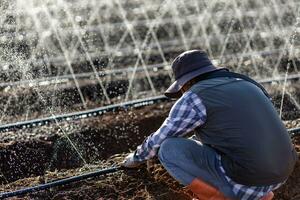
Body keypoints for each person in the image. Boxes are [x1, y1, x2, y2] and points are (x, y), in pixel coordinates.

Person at [121, 50, 298, 200]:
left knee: (168, 149)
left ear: (186, 83)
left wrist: (134, 159)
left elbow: (161, 138)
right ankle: (261, 195)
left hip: (250, 177)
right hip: (283, 170)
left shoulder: (194, 97)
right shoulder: (248, 84)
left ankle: (221, 197)